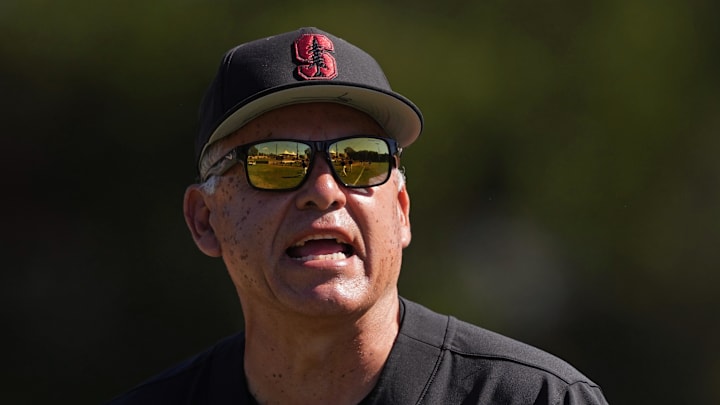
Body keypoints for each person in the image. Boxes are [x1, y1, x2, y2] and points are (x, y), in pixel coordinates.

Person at [106, 27, 609, 404]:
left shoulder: (536, 397)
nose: (325, 191)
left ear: (403, 212)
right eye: (277, 161)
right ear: (204, 219)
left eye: (360, 158)